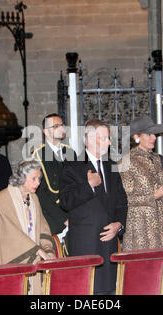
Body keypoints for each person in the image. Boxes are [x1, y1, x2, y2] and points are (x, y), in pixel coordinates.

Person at [59, 119, 128, 295]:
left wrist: (118, 224)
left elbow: (121, 202)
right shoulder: (72, 165)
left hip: (109, 243)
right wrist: (88, 185)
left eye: (108, 138)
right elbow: (65, 201)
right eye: (104, 138)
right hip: (86, 245)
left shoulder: (111, 165)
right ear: (89, 139)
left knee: (110, 292)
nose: (109, 142)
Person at [0, 159, 56, 295]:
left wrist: (47, 249)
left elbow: (42, 227)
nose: (38, 183)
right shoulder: (3, 198)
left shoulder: (34, 198)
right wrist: (37, 251)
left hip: (33, 258)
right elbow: (10, 233)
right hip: (8, 258)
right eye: (33, 178)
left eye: (39, 178)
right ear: (22, 177)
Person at [119, 116, 163, 250]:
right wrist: (153, 196)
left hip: (160, 223)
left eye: (154, 134)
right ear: (136, 137)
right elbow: (125, 199)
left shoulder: (157, 159)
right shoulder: (125, 161)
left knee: (161, 268)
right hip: (140, 226)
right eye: (149, 134)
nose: (154, 137)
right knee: (142, 267)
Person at [32, 113, 76, 237]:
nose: (61, 128)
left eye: (62, 125)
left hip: (73, 214)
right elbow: (40, 193)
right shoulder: (38, 155)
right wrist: (63, 218)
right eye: (56, 126)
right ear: (45, 131)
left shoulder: (70, 152)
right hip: (53, 218)